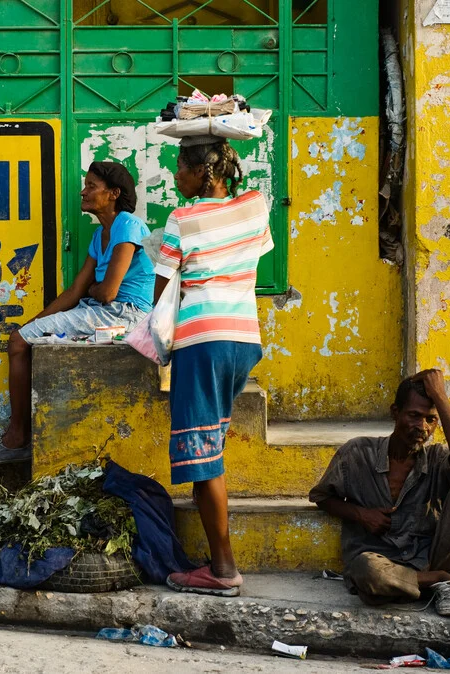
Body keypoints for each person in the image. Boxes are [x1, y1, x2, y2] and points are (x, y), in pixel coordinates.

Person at [0, 162, 155, 465]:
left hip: (126, 314)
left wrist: (95, 290)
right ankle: (19, 436)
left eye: (91, 186)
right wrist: (34, 323)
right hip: (104, 311)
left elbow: (106, 292)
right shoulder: (100, 236)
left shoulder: (127, 225)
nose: (83, 192)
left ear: (113, 193)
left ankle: (17, 439)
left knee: (18, 344)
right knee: (19, 340)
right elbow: (76, 292)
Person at [155, 136, 274, 597]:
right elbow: (248, 258)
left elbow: (163, 294)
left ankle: (223, 570)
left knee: (204, 459)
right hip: (244, 339)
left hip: (202, 340)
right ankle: (218, 562)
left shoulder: (182, 220)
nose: (175, 176)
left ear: (200, 171)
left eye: (180, 167)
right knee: (210, 446)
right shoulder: (255, 206)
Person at [309, 369, 450, 630]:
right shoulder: (357, 453)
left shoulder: (437, 458)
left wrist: (440, 396)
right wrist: (362, 515)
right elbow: (320, 496)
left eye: (430, 420)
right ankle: (440, 581)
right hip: (383, 563)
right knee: (365, 569)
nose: (422, 427)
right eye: (414, 416)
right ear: (395, 413)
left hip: (435, 554)